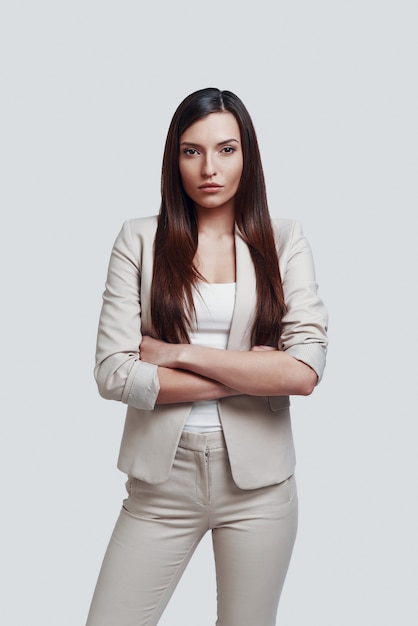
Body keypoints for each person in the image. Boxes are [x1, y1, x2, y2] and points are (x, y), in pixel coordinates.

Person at [85, 87, 328, 626]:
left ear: (248, 156)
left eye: (226, 149)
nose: (209, 168)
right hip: (160, 484)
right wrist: (256, 373)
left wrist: (178, 353)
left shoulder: (284, 240)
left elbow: (304, 370)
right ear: (175, 160)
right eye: (192, 151)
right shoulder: (139, 239)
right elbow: (113, 372)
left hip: (260, 488)